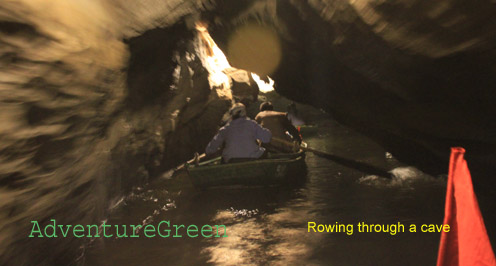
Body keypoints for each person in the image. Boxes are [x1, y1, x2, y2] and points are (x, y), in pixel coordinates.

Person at [206, 103, 272, 163]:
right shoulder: (252, 124)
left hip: (231, 159)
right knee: (265, 152)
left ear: (231, 115)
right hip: (253, 158)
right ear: (244, 113)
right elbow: (267, 138)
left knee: (223, 157)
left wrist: (208, 152)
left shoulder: (225, 128)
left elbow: (211, 148)